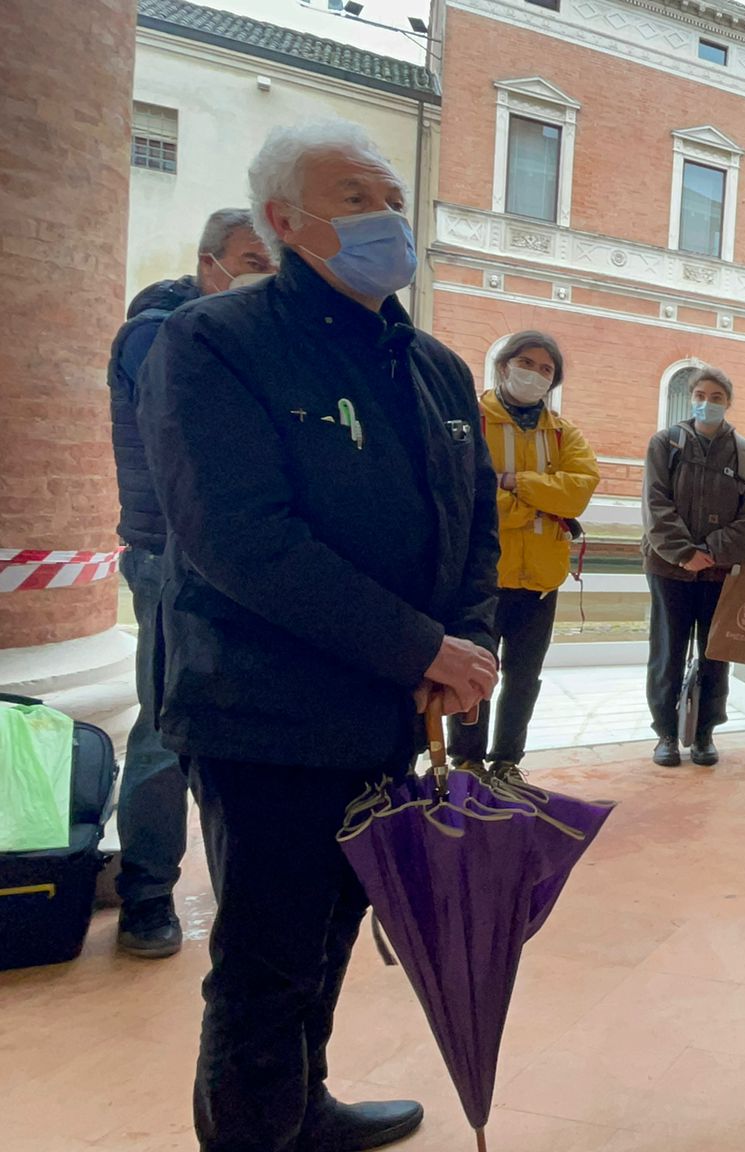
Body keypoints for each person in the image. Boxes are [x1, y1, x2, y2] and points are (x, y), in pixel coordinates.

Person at [137, 120, 499, 1152]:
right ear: (284, 223)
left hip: (384, 713)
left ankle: (306, 1108)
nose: (387, 212)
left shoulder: (433, 366)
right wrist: (418, 647)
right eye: (355, 195)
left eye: (391, 192)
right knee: (264, 959)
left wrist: (461, 647)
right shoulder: (214, 342)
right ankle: (258, 1128)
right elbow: (240, 541)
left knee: (337, 930)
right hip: (266, 718)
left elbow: (475, 521)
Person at [103, 206, 273, 959]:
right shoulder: (159, 334)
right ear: (210, 263)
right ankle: (145, 894)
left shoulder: (236, 333)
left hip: (235, 558)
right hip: (168, 557)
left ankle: (242, 891)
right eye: (248, 258)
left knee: (232, 724)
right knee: (170, 724)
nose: (262, 273)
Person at [446, 331, 598, 782]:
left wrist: (514, 483)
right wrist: (530, 502)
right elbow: (468, 496)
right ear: (504, 364)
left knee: (523, 677)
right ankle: (467, 759)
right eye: (527, 363)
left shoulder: (562, 432)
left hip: (540, 581)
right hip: (482, 577)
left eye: (546, 369)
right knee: (473, 671)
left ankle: (508, 760)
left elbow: (579, 491)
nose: (535, 374)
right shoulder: (472, 420)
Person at [642, 363, 745, 768]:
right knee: (668, 650)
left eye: (716, 397)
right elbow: (654, 504)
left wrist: (713, 551)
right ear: (689, 398)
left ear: (728, 403)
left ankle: (705, 733)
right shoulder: (665, 444)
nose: (707, 403)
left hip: (720, 572)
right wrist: (683, 552)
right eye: (700, 396)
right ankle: (665, 733)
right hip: (669, 569)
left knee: (717, 654)